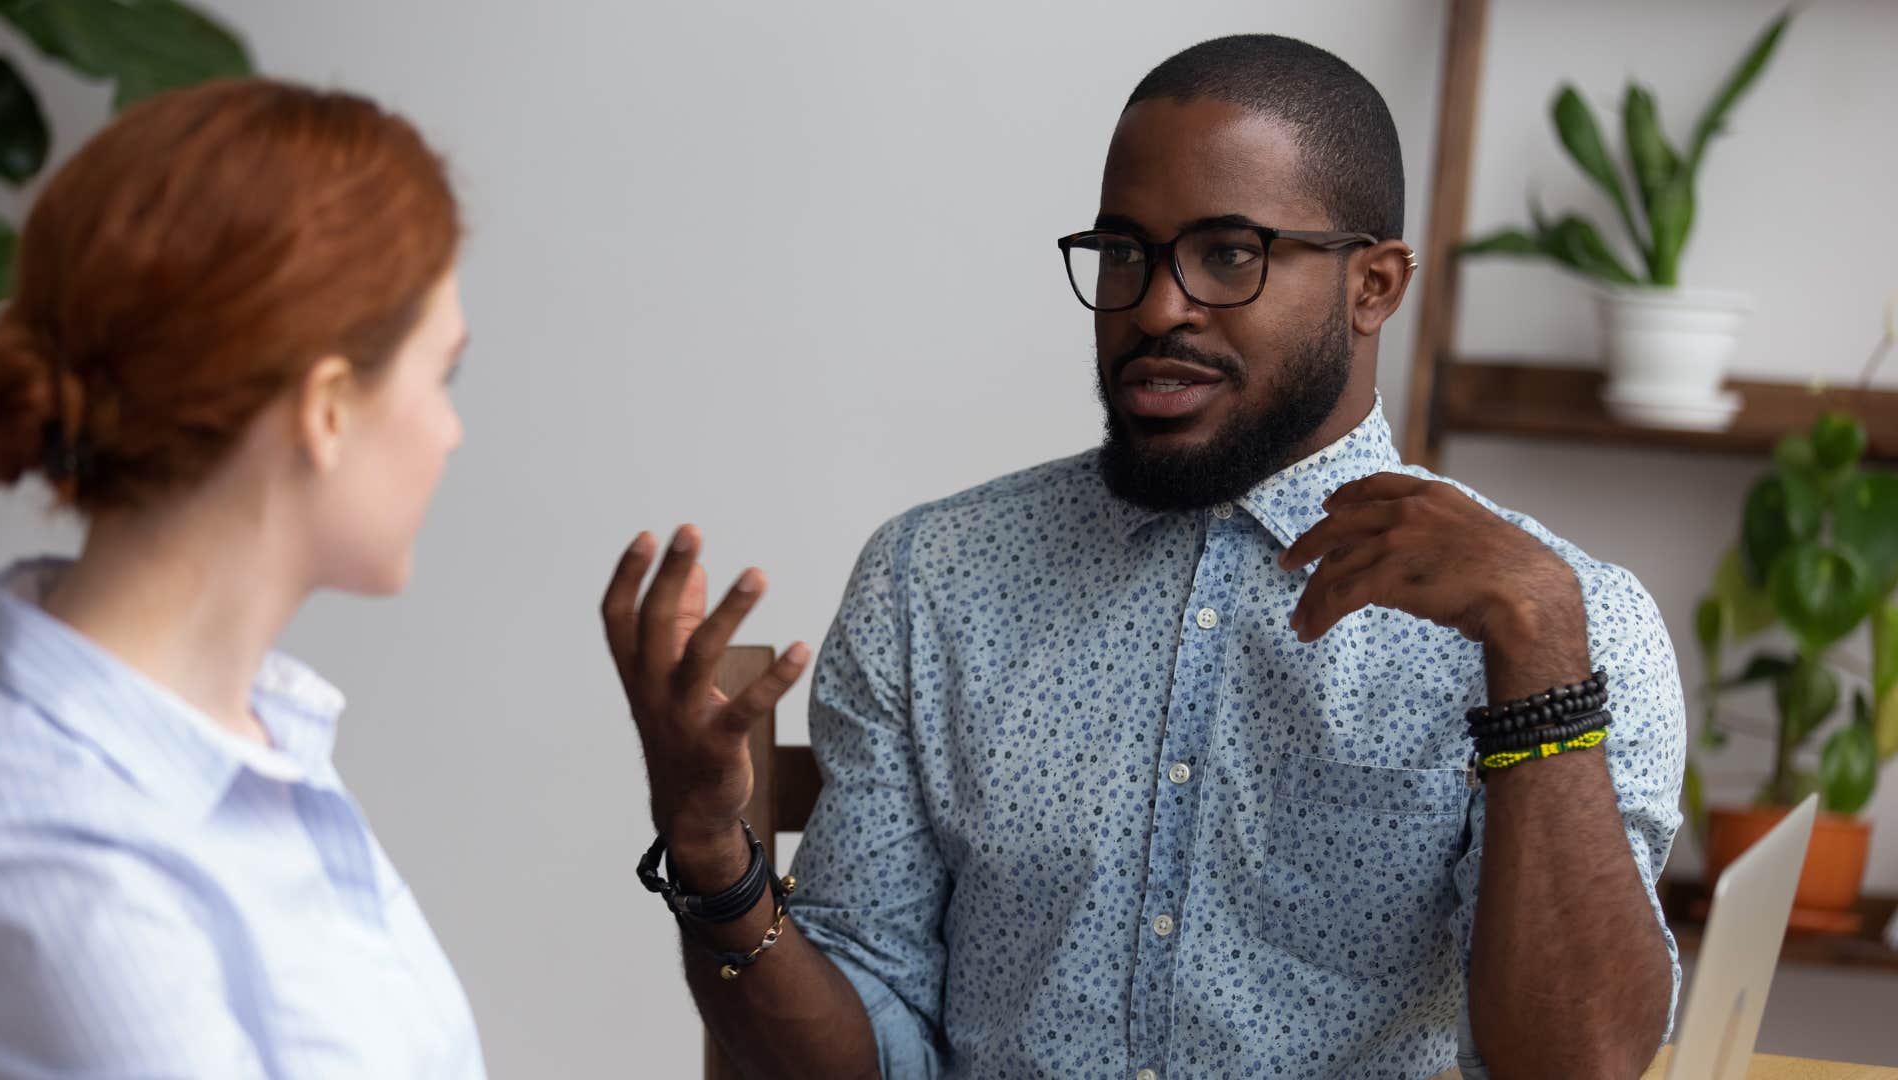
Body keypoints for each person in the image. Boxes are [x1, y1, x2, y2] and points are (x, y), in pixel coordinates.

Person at [604, 34, 1684, 1080]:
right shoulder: (931, 582)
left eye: (1230, 254)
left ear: (1375, 287)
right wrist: (709, 850)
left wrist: (1540, 665)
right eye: (1125, 252)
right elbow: (860, 1063)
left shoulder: (1557, 617)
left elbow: (1579, 1067)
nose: (1157, 307)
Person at [0, 78, 485, 1076]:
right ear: (329, 407)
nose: (452, 432)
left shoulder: (257, 745)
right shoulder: (57, 854)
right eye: (443, 376)